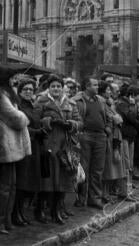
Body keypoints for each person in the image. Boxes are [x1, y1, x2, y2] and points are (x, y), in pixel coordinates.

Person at [0, 68, 30, 235]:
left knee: (10, 186)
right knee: (3, 187)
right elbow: (16, 119)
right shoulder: (0, 96)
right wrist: (25, 116)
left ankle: (5, 220)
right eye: (13, 78)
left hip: (9, 146)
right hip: (4, 146)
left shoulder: (4, 93)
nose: (15, 81)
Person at [35, 74, 81, 224]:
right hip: (47, 143)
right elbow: (35, 121)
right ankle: (40, 210)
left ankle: (57, 211)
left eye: (59, 86)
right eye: (53, 86)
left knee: (63, 179)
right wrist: (48, 121)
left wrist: (71, 124)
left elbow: (80, 122)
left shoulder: (70, 103)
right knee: (46, 179)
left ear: (63, 88)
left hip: (64, 146)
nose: (56, 89)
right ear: (49, 88)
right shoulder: (41, 102)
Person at [74, 77, 110, 209]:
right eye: (94, 85)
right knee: (83, 169)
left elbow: (109, 116)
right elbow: (75, 117)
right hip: (85, 136)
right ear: (87, 87)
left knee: (98, 170)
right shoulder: (77, 101)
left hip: (100, 136)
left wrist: (108, 129)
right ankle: (81, 198)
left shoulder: (101, 100)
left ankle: (95, 199)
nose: (97, 87)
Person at [12, 77, 44, 227]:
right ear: (20, 91)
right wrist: (36, 131)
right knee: (21, 180)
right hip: (22, 145)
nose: (28, 92)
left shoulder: (32, 105)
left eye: (31, 89)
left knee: (28, 181)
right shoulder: (17, 106)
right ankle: (15, 213)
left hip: (34, 146)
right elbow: (19, 125)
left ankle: (21, 212)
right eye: (25, 89)